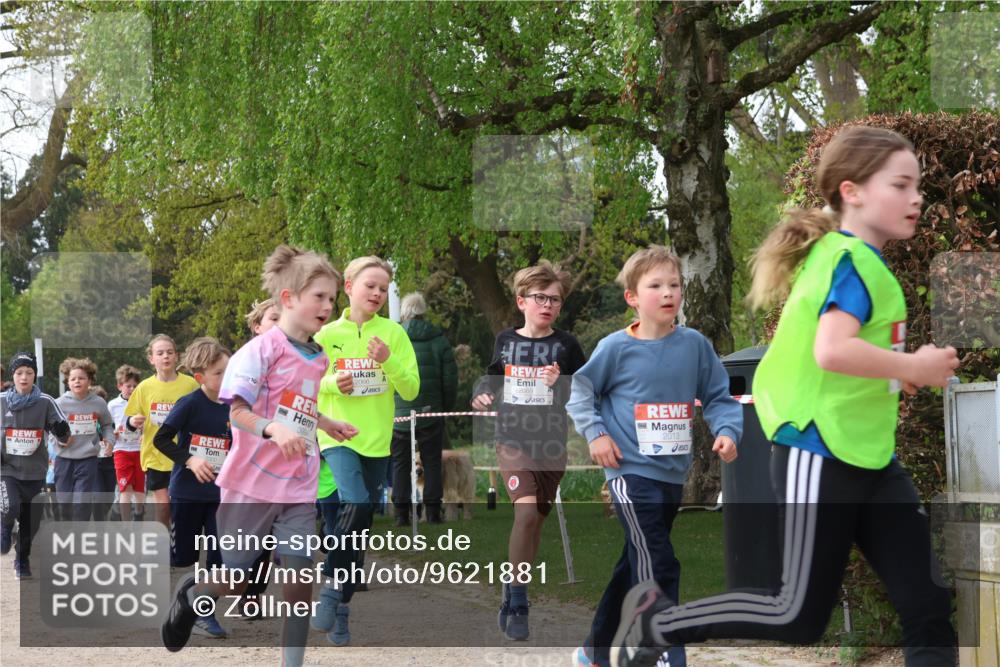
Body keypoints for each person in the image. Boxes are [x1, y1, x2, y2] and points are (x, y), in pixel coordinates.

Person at [609, 126, 960, 667]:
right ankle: (658, 622)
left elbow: (847, 357)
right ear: (853, 191)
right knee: (795, 615)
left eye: (918, 185)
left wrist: (898, 374)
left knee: (928, 602)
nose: (916, 197)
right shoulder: (850, 260)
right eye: (901, 184)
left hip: (868, 456)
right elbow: (831, 350)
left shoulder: (857, 259)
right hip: (819, 451)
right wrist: (914, 364)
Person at [159, 244, 357, 667]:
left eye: (332, 298)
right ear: (288, 299)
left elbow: (296, 405)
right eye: (319, 296)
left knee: (299, 581)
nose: (328, 305)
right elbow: (238, 413)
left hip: (298, 486)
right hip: (251, 485)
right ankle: (194, 595)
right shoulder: (258, 351)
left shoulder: (319, 356)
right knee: (236, 577)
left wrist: (325, 424)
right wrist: (273, 429)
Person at [565, 246, 741, 667]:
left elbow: (719, 397)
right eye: (656, 285)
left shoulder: (695, 346)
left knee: (633, 563)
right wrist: (597, 434)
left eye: (675, 285)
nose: (668, 293)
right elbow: (580, 391)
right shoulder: (615, 348)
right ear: (632, 297)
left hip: (669, 476)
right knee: (659, 560)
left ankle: (593, 652)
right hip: (627, 472)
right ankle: (659, 651)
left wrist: (728, 431)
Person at [471, 261, 587, 641]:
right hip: (513, 439)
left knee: (537, 519)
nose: (548, 305)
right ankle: (519, 600)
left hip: (551, 443)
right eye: (540, 298)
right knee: (524, 515)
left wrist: (562, 383)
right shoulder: (506, 340)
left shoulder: (567, 345)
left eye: (555, 299)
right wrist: (481, 394)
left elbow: (583, 393)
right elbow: (491, 377)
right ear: (522, 301)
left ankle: (512, 586)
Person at [311, 255, 419, 646]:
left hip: (377, 441)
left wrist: (388, 362)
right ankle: (329, 591)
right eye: (370, 285)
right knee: (354, 502)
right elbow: (304, 381)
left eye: (383, 288)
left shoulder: (394, 333)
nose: (376, 293)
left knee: (358, 530)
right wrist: (330, 384)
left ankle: (340, 607)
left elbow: (411, 389)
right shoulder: (325, 334)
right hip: (337, 437)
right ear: (349, 285)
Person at [153, 337, 232, 639]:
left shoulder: (235, 407)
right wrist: (189, 460)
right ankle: (183, 598)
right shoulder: (189, 404)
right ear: (200, 378)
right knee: (184, 559)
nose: (226, 378)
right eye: (218, 373)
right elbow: (162, 439)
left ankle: (204, 614)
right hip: (187, 493)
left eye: (228, 370)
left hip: (221, 496)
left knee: (220, 558)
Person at [390, 292, 458, 525]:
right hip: (431, 411)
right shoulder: (438, 340)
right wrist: (445, 408)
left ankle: (401, 514)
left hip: (398, 413)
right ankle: (432, 512)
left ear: (405, 312)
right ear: (423, 311)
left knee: (400, 462)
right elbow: (449, 378)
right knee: (431, 460)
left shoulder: (393, 338)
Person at [1, 352, 70, 578]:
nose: (24, 377)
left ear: (35, 376)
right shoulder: (1, 402)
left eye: (29, 373)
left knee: (31, 521)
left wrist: (61, 432)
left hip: (35, 472)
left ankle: (22, 559)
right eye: (19, 372)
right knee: (9, 507)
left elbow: (64, 436)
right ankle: (4, 526)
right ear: (13, 375)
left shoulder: (45, 402)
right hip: (6, 469)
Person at [125, 335, 200, 529]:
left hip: (184, 454)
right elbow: (129, 421)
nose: (165, 356)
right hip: (155, 454)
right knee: (164, 505)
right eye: (160, 353)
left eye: (169, 352)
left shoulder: (191, 385)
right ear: (152, 359)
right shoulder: (144, 387)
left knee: (179, 506)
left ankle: (179, 542)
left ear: (177, 356)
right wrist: (133, 421)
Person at [53, 357, 115, 523]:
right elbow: (50, 430)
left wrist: (109, 441)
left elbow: (108, 425)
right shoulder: (59, 404)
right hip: (64, 459)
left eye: (81, 378)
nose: (77, 381)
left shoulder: (98, 403)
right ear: (68, 382)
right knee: (64, 503)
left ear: (89, 380)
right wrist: (60, 441)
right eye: (73, 379)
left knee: (82, 502)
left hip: (87, 459)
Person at [109, 365, 144, 521]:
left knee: (139, 489)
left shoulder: (143, 403)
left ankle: (138, 513)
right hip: (121, 449)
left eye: (135, 386)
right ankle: (125, 523)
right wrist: (112, 434)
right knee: (125, 488)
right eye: (128, 386)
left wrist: (144, 433)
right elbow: (107, 426)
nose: (131, 389)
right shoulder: (112, 405)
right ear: (119, 386)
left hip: (140, 449)